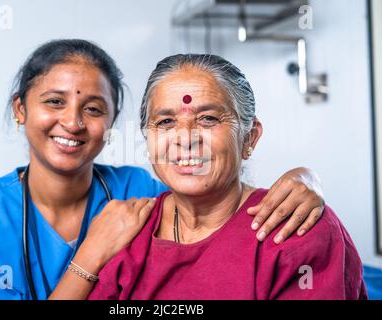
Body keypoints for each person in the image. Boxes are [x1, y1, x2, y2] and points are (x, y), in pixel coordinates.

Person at [0, 40, 325, 300]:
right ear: (20, 109)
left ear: (113, 122)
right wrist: (90, 254)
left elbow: (213, 192)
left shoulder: (139, 190)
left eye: (94, 109)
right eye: (54, 101)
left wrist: (306, 178)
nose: (73, 122)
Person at [88, 54, 367, 300]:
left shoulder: (297, 228)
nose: (185, 138)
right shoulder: (128, 232)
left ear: (249, 138)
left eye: (208, 118)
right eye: (165, 122)